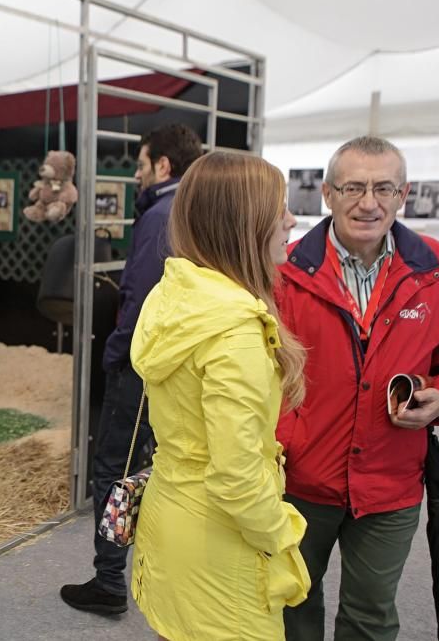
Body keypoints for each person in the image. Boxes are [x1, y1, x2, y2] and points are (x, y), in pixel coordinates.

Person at [277, 136, 439, 640]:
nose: (370, 202)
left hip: (391, 481)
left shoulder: (437, 270)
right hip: (298, 481)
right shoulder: (283, 272)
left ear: (403, 193)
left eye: (384, 187)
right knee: (288, 606)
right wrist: (288, 435)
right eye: (354, 187)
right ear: (327, 193)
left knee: (371, 618)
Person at [130, 151, 311, 640]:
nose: (292, 221)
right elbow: (237, 476)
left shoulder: (177, 297)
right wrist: (283, 535)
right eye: (279, 209)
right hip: (219, 547)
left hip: (173, 519)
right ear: (243, 221)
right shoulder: (235, 331)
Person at [60, 124, 202, 614]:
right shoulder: (195, 207)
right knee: (158, 465)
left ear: (163, 165)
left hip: (144, 364)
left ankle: (109, 578)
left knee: (114, 469)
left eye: (141, 165)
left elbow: (141, 296)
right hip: (180, 363)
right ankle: (153, 569)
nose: (137, 175)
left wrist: (115, 353)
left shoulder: (162, 213)